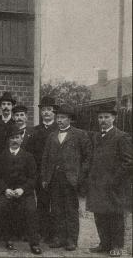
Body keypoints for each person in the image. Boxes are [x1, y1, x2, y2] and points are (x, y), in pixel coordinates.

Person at [41, 104, 91, 251]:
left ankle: (71, 240)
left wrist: (80, 176)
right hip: (54, 178)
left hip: (71, 179)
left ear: (70, 119)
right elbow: (45, 158)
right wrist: (45, 177)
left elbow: (88, 158)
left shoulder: (80, 134)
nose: (59, 120)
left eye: (63, 117)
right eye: (58, 117)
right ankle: (59, 237)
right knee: (56, 209)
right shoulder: (52, 136)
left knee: (71, 209)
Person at [87, 105, 133, 258]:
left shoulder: (122, 136)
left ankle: (117, 246)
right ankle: (104, 243)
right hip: (98, 184)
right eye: (100, 117)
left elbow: (128, 162)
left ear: (113, 118)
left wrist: (114, 180)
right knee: (100, 214)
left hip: (115, 185)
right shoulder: (96, 137)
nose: (103, 120)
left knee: (115, 215)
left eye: (106, 117)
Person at [0, 125, 42, 255]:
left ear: (21, 140)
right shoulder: (2, 156)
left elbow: (33, 177)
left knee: (31, 210)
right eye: (12, 138)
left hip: (24, 193)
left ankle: (34, 243)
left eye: (18, 138)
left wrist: (22, 189)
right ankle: (8, 238)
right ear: (8, 140)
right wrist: (5, 189)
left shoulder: (28, 156)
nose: (15, 140)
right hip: (8, 191)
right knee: (2, 207)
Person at [26, 95, 59, 243]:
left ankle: (55, 235)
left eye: (49, 110)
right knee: (42, 202)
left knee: (56, 203)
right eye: (43, 110)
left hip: (56, 174)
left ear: (54, 112)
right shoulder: (35, 131)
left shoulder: (59, 129)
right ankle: (43, 232)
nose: (46, 113)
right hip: (40, 173)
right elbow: (30, 154)